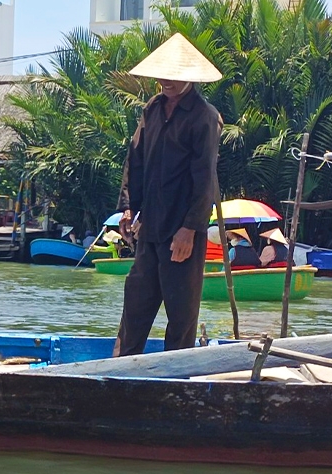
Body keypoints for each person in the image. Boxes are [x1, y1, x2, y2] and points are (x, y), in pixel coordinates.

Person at [114, 33, 223, 356]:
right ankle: (118, 374)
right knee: (134, 307)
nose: (166, 81)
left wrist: (190, 228)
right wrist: (128, 209)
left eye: (174, 75)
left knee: (181, 316)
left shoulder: (204, 116)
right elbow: (135, 161)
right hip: (150, 229)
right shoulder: (153, 108)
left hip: (183, 230)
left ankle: (177, 380)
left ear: (189, 76)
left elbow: (206, 178)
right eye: (162, 74)